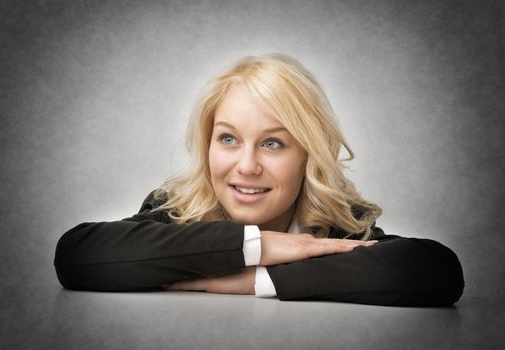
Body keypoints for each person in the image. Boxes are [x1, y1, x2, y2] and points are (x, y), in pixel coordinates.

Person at [54, 53, 464, 306]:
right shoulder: (174, 209)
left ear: (308, 155)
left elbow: (437, 272)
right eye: (228, 138)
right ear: (207, 144)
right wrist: (257, 245)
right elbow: (76, 256)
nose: (246, 166)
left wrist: (259, 279)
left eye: (272, 143)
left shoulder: (338, 225)